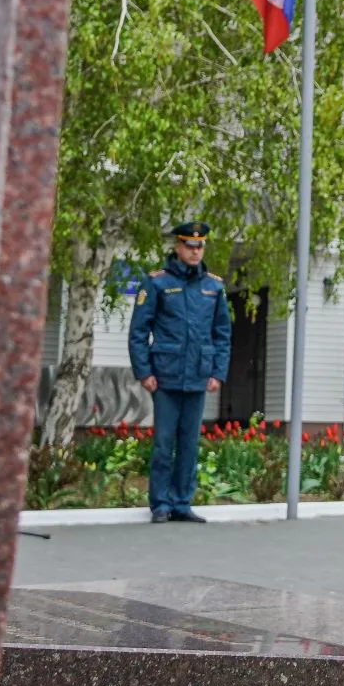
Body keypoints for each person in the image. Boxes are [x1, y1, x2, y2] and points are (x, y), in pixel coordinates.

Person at [128, 221, 231, 524]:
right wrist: (144, 372)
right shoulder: (157, 283)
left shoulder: (213, 287)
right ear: (177, 246)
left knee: (189, 444)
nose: (195, 251)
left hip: (198, 376)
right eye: (189, 245)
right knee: (163, 443)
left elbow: (222, 334)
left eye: (200, 246)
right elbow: (138, 331)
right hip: (165, 376)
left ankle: (182, 503)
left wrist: (218, 372)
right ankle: (160, 504)